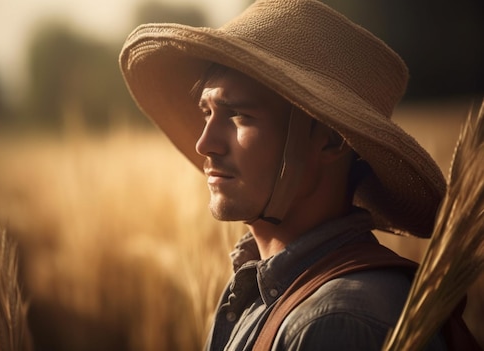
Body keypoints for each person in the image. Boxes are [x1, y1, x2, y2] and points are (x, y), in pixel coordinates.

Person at [119, 0, 449, 350]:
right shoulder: (264, 290)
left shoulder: (333, 325)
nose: (204, 144)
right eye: (206, 112)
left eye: (238, 115)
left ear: (331, 139)